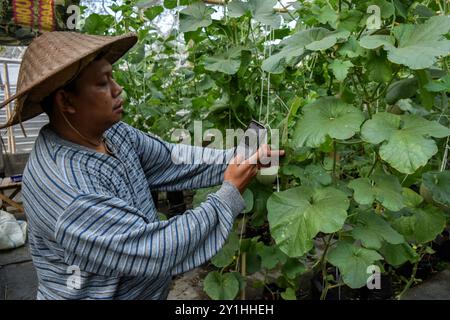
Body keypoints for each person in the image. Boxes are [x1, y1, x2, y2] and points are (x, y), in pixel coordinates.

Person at [0, 31, 283, 300]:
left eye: (113, 77)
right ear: (66, 101)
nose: (117, 88)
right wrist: (228, 193)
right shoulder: (68, 192)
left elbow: (171, 159)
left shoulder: (112, 133)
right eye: (103, 83)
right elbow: (156, 248)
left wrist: (238, 157)